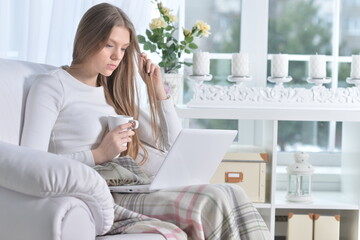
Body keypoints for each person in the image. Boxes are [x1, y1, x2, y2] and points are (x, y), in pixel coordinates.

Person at [21, 3, 271, 240]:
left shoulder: (112, 92)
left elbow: (174, 146)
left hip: (130, 186)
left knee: (231, 190)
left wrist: (159, 91)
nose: (117, 56)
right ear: (87, 39)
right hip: (96, 193)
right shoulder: (52, 86)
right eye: (109, 45)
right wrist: (98, 154)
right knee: (212, 199)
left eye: (123, 48)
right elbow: (30, 165)